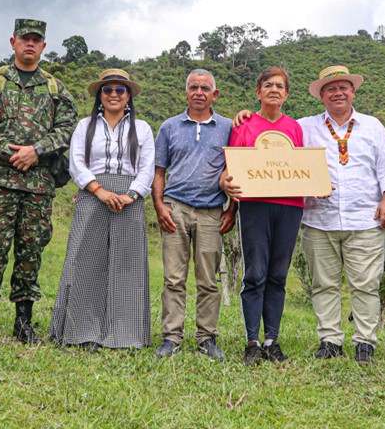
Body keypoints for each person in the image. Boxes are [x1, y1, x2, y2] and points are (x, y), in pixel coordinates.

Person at [0, 19, 77, 346]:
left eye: (36, 40)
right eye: (24, 38)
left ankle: (23, 324)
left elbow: (68, 128)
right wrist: (8, 150)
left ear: (43, 46)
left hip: (38, 185)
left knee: (31, 251)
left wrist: (36, 150)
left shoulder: (55, 88)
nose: (30, 44)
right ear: (13, 42)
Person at [298, 65, 385, 365]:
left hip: (365, 218)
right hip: (318, 218)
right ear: (321, 96)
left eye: (343, 87)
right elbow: (275, 135)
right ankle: (330, 340)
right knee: (323, 284)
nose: (338, 93)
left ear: (353, 92)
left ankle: (365, 342)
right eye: (331, 89)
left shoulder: (372, 126)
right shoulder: (305, 127)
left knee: (366, 284)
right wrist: (246, 117)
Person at [49, 69, 155, 350]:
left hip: (130, 198)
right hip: (92, 194)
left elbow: (147, 167)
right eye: (107, 90)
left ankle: (125, 335)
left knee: (127, 265)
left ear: (128, 95)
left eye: (120, 90)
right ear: (100, 95)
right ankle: (83, 333)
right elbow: (77, 163)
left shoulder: (142, 128)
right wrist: (100, 191)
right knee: (86, 262)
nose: (113, 95)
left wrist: (131, 195)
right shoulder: (85, 126)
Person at [221, 66, 305, 366]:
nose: (274, 90)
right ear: (258, 92)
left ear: (287, 95)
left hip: (290, 206)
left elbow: (303, 167)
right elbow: (231, 167)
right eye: (268, 85)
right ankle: (252, 342)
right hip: (255, 205)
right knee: (255, 273)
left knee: (278, 275)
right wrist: (228, 195)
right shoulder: (243, 124)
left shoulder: (295, 128)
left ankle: (272, 340)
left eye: (280, 86)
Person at [152, 69, 236, 361]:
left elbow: (235, 170)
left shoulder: (228, 127)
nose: (199, 93)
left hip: (212, 211)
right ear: (186, 92)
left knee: (208, 280)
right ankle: (171, 337)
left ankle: (206, 338)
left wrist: (232, 209)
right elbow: (159, 171)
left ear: (215, 94)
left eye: (205, 88)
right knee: (173, 278)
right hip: (176, 208)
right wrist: (159, 205)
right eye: (193, 87)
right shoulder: (169, 127)